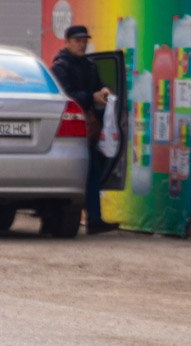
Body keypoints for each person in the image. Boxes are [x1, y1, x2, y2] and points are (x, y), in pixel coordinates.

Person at [52, 25, 118, 235]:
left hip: (88, 127)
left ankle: (95, 219)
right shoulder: (60, 67)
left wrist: (104, 91)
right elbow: (66, 96)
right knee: (76, 174)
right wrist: (91, 97)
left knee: (93, 171)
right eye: (78, 40)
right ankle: (61, 218)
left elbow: (97, 87)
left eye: (84, 40)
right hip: (69, 128)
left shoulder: (89, 65)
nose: (82, 44)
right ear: (67, 42)